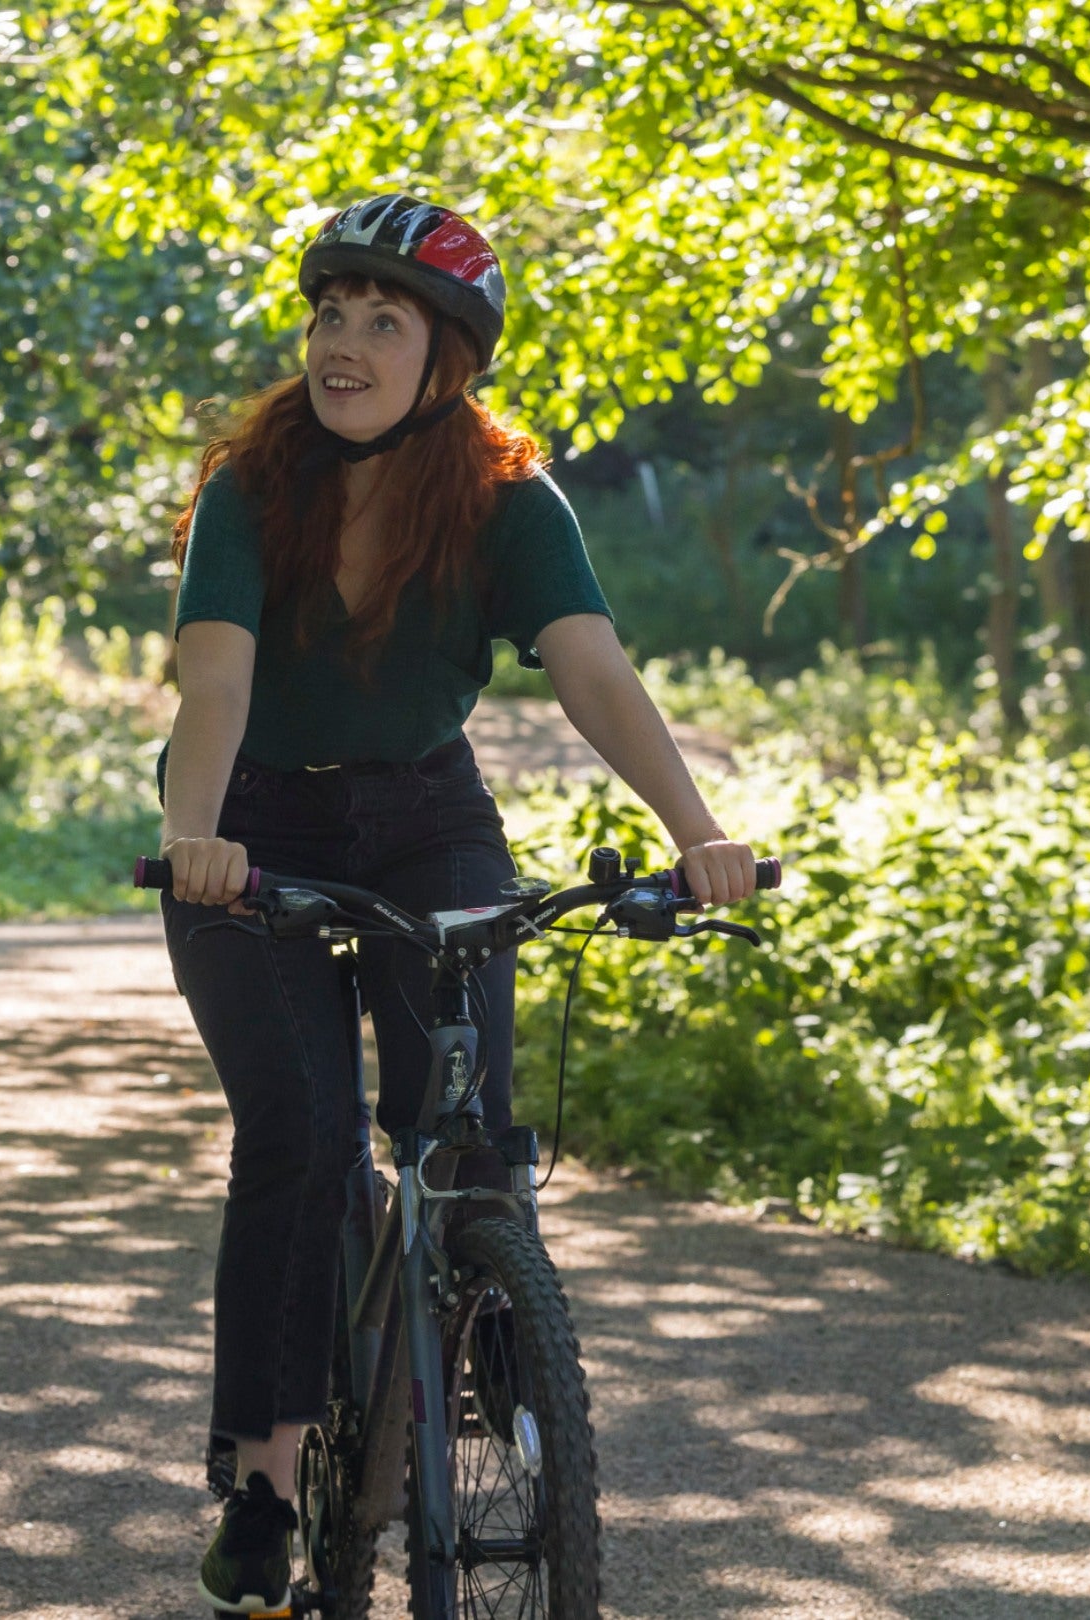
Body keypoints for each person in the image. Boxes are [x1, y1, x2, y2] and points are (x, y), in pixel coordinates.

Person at [158, 193, 756, 1615]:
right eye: (329, 316)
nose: (344, 346)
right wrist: (194, 830)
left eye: (383, 323)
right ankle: (265, 1474)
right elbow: (216, 680)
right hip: (250, 820)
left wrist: (700, 831)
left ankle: (500, 1342)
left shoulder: (503, 497)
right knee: (301, 1137)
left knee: (467, 1131)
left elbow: (595, 672)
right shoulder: (249, 487)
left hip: (426, 813)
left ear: (450, 363)